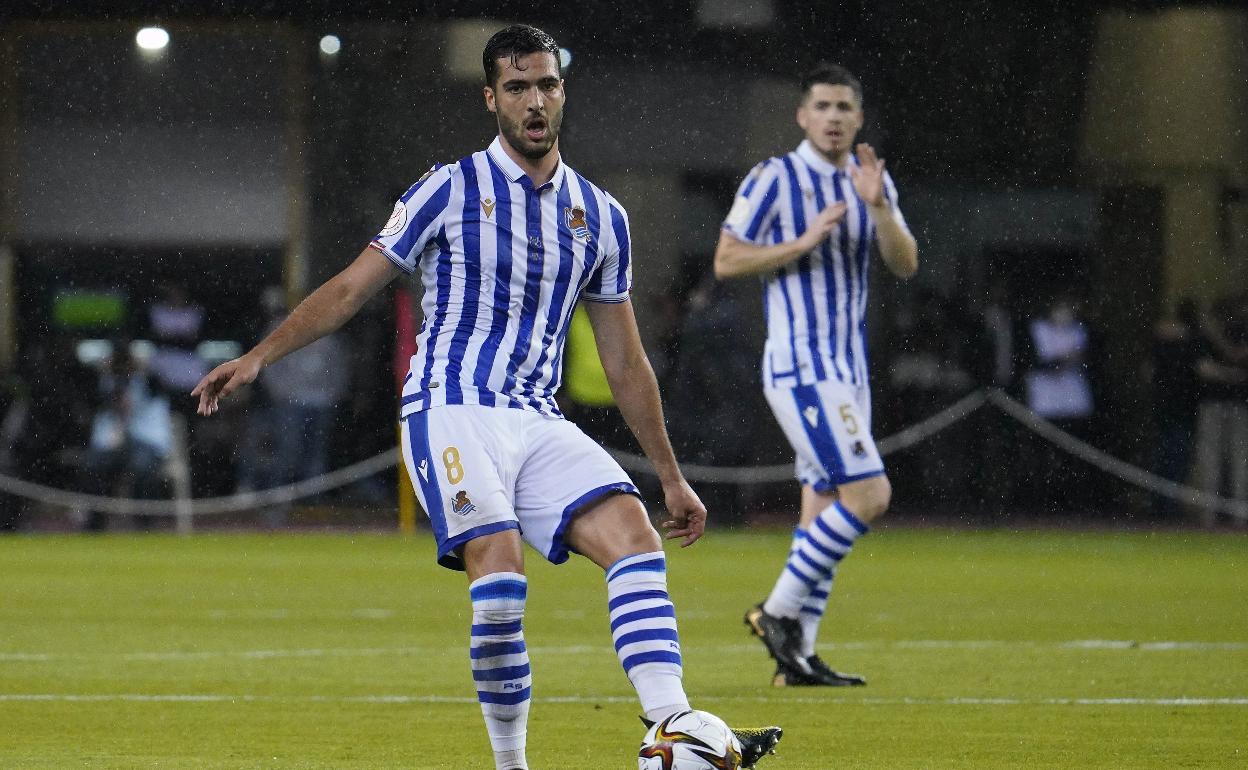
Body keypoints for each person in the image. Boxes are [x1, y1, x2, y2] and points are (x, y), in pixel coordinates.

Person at [192, 25, 780, 770]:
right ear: (491, 99)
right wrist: (257, 357)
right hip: (450, 406)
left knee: (636, 537)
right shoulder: (448, 187)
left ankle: (671, 726)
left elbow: (625, 359)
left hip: (536, 419)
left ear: (562, 92)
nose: (534, 101)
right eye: (517, 87)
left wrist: (670, 474)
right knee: (501, 582)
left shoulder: (602, 217)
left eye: (546, 85)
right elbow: (348, 289)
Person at [714, 63, 918, 687]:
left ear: (858, 119)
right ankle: (774, 613)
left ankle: (795, 660)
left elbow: (905, 264)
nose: (833, 117)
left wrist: (880, 208)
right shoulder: (775, 177)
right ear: (803, 116)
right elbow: (726, 258)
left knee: (823, 506)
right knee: (870, 495)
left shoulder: (868, 181)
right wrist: (801, 243)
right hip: (802, 366)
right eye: (822, 106)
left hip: (848, 371)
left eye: (844, 108)